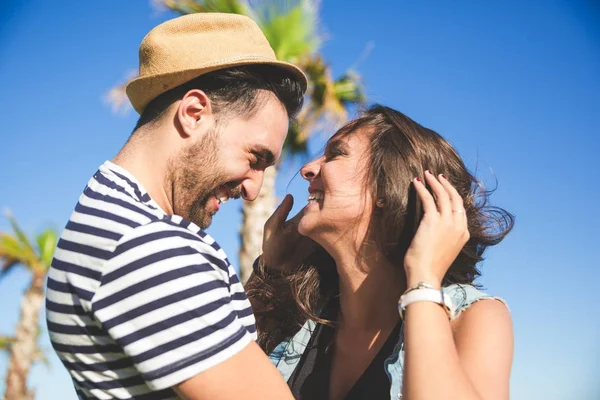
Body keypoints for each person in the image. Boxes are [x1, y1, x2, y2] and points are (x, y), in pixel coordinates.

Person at [45, 13, 308, 400]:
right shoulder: (146, 245)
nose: (254, 190)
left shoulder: (109, 217)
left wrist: (272, 272)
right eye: (255, 157)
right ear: (193, 114)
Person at [247, 105, 515, 400]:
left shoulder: (474, 318)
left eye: (336, 154)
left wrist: (423, 280)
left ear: (388, 189)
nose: (307, 168)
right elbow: (218, 374)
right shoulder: (303, 312)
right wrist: (270, 271)